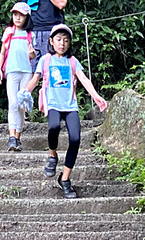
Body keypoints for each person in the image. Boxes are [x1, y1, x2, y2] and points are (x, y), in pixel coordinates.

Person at [19, 23, 107, 199]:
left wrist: (96, 96)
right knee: (53, 128)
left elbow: (84, 79)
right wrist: (25, 92)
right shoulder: (45, 60)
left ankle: (65, 179)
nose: (62, 43)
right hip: (53, 104)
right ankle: (53, 156)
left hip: (70, 106)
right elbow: (35, 79)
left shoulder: (72, 62)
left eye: (66, 40)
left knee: (75, 139)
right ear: (51, 41)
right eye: (58, 40)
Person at [0, 1, 36, 151]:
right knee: (12, 103)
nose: (17, 18)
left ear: (27, 17)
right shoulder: (9, 32)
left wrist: (32, 53)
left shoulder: (30, 34)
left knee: (21, 104)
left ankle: (17, 137)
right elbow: (2, 53)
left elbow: (33, 54)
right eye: (15, 14)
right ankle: (12, 137)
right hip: (11, 71)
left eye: (21, 15)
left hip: (26, 72)